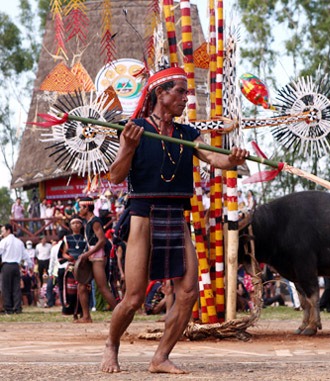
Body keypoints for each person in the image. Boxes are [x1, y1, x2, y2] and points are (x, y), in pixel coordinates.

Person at [100, 66, 248, 374]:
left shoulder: (186, 134)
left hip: (176, 217)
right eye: (180, 91)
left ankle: (160, 357)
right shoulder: (135, 128)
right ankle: (112, 345)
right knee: (134, 297)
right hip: (143, 217)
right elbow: (115, 175)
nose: (186, 97)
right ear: (161, 94)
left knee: (189, 292)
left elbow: (213, 158)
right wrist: (127, 147)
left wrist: (232, 161)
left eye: (186, 92)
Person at [75, 197, 118, 323]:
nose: (78, 210)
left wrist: (87, 254)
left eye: (80, 207)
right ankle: (86, 316)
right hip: (91, 256)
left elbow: (102, 241)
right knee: (82, 286)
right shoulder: (88, 222)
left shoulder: (95, 221)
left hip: (98, 257)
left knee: (103, 287)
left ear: (86, 208)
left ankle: (120, 314)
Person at [0, 223, 29, 314]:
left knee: (6, 288)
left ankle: (8, 308)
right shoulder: (19, 242)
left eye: (3, 231)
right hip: (16, 266)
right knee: (16, 287)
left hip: (6, 265)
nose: (2, 233)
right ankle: (17, 307)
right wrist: (30, 266)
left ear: (8, 230)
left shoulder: (4, 241)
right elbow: (26, 256)